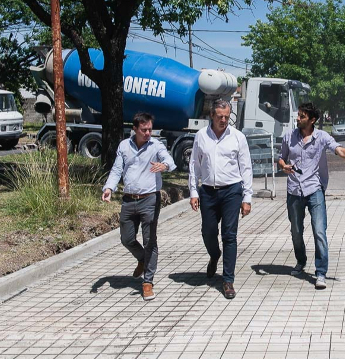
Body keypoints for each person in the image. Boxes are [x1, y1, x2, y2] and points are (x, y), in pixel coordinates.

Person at [278, 102, 345, 290]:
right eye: (298, 115)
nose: (298, 118)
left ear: (312, 120)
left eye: (302, 116)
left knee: (319, 231)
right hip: (294, 190)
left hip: (314, 189)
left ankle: (320, 272)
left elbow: (339, 150)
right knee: (296, 232)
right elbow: (281, 157)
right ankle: (301, 261)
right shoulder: (289, 137)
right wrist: (283, 166)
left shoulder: (322, 137)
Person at [102, 112, 175, 301]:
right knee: (126, 238)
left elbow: (170, 161)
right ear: (134, 129)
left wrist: (164, 166)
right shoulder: (124, 146)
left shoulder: (156, 145)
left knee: (150, 239)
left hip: (150, 198)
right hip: (128, 199)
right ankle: (143, 259)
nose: (148, 133)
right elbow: (117, 168)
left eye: (150, 129)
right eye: (144, 130)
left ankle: (148, 282)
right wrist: (109, 187)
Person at [189, 100, 253, 299]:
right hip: (208, 191)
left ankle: (227, 280)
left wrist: (247, 197)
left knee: (229, 235)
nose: (223, 120)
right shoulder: (201, 136)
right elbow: (194, 166)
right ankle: (214, 255)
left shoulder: (237, 137)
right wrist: (193, 192)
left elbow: (246, 168)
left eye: (226, 116)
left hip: (232, 191)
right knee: (208, 232)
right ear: (212, 115)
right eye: (220, 116)